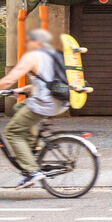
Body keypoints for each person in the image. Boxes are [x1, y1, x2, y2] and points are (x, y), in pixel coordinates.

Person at [0, 29, 69, 189]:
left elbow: (9, 79)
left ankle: (32, 171)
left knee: (12, 133)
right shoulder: (53, 56)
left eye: (29, 41)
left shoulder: (32, 57)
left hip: (44, 104)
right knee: (19, 107)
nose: (26, 44)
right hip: (59, 101)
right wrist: (21, 90)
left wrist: (7, 87)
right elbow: (48, 82)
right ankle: (30, 147)